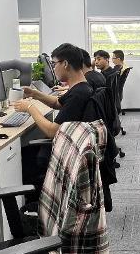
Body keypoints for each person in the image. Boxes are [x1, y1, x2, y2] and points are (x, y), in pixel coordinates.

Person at [13, 43, 95, 188]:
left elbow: (52, 131)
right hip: (71, 146)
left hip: (66, 152)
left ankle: (37, 196)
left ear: (65, 64)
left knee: (23, 154)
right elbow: (58, 103)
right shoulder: (81, 86)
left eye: (54, 63)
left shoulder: (78, 94)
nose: (53, 67)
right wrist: (36, 94)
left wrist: (30, 108)